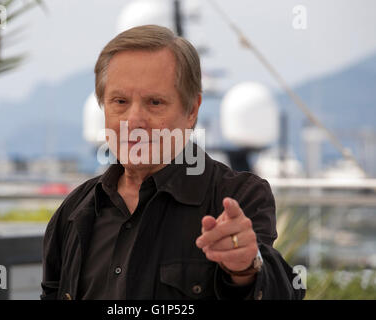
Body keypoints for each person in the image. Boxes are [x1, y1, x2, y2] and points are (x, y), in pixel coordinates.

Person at [40, 25, 305, 300]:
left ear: (191, 110)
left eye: (155, 102)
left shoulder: (238, 197)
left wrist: (247, 270)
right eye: (119, 101)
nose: (134, 121)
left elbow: (285, 292)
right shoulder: (73, 211)